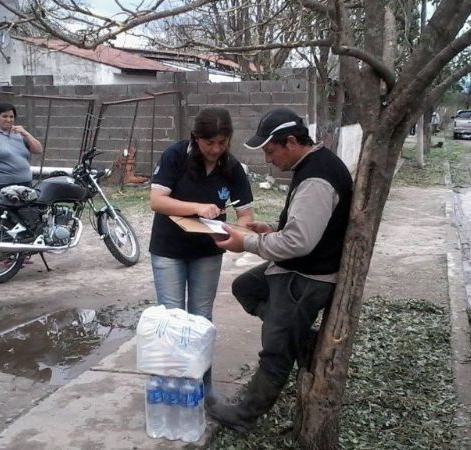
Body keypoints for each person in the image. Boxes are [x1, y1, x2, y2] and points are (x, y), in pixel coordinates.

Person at [208, 108, 353, 432]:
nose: (269, 160)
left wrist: (245, 242)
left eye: (270, 151)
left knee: (274, 352)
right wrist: (271, 228)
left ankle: (244, 416)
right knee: (246, 288)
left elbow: (299, 243)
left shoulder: (317, 177)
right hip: (296, 268)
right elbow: (308, 226)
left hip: (306, 277)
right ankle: (296, 334)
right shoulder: (312, 166)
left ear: (290, 141)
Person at [148, 107, 254, 401]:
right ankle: (173, 385)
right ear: (196, 138)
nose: (216, 149)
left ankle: (202, 386)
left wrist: (234, 232)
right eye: (210, 143)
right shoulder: (175, 156)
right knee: (173, 319)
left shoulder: (232, 167)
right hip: (168, 250)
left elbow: (245, 215)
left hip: (207, 252)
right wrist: (197, 207)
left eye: (222, 143)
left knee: (201, 319)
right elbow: (157, 201)